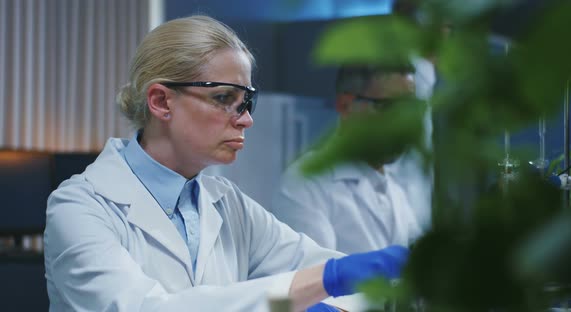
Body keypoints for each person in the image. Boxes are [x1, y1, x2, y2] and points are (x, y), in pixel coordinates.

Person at [43, 15, 410, 312]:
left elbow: (310, 265)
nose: (246, 119)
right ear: (161, 101)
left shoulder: (227, 203)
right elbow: (142, 308)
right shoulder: (81, 207)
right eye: (224, 98)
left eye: (247, 101)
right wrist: (325, 280)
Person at [272, 65, 429, 255]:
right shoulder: (306, 183)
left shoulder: (395, 190)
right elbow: (315, 277)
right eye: (388, 106)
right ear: (345, 106)